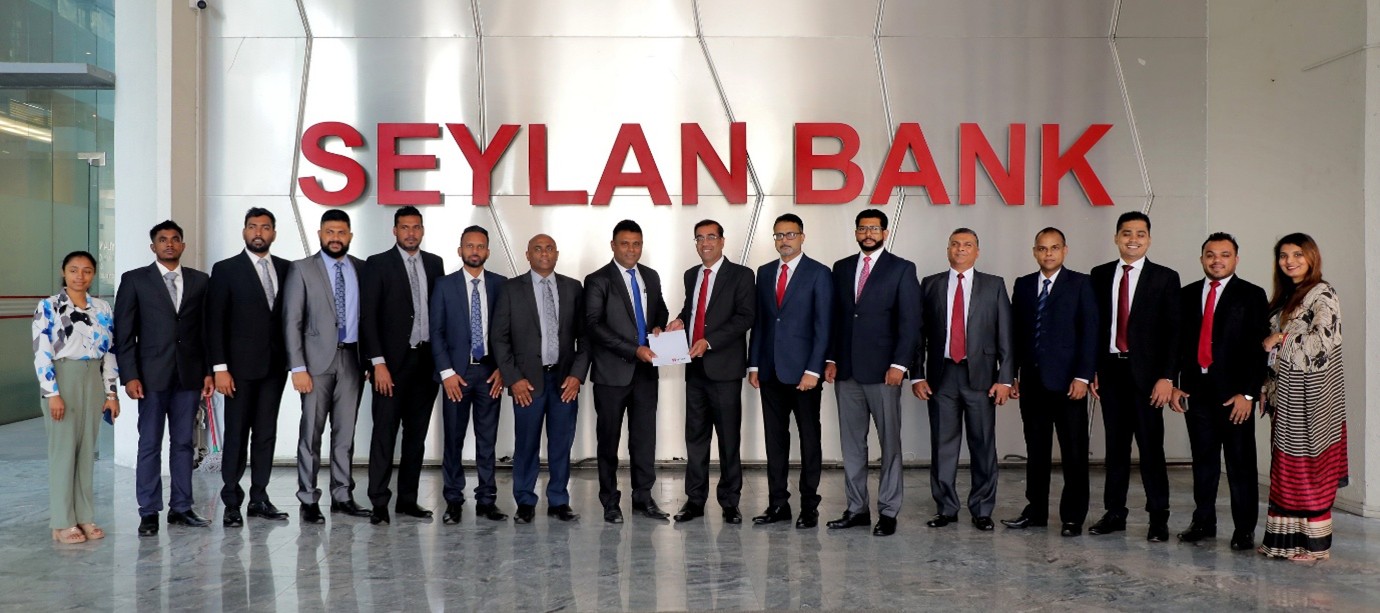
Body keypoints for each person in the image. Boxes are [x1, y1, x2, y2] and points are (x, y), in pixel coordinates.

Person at [824, 209, 921, 537]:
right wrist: (831, 358)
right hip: (847, 371)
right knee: (852, 445)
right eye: (863, 228)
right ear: (856, 232)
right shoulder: (841, 268)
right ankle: (857, 509)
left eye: (874, 229)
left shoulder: (902, 269)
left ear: (885, 232)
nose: (868, 234)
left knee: (889, 445)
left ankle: (889, 512)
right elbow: (837, 318)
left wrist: (899, 365)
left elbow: (911, 322)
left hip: (884, 373)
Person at [1169, 233, 1268, 551]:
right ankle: (1203, 522)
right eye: (1210, 254)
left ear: (1236, 259)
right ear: (1202, 259)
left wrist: (1248, 394)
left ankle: (1244, 529)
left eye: (1225, 255)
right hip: (1196, 392)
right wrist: (1175, 383)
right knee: (1203, 462)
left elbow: (1258, 350)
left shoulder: (1251, 294)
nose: (1217, 260)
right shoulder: (1186, 294)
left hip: (1234, 396)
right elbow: (1176, 343)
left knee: (1240, 464)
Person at [115, 220, 214, 536]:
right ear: (153, 246)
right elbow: (124, 333)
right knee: (149, 444)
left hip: (189, 376)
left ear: (183, 245)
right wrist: (129, 375)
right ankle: (148, 512)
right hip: (150, 377)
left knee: (184, 443)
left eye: (174, 239)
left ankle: (181, 508)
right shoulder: (135, 280)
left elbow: (206, 331)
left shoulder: (200, 281)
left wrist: (209, 371)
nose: (169, 244)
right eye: (162, 239)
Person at [1088, 211, 1181, 542]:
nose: (1133, 239)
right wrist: (1092, 370)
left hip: (1149, 377)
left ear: (1149, 239)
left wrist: (1167, 377)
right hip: (1111, 372)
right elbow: (1094, 326)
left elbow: (1174, 332)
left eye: (1140, 234)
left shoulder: (1165, 278)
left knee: (1151, 448)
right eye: (1126, 233)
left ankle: (1158, 517)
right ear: (1116, 237)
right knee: (1115, 448)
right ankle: (1115, 513)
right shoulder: (1099, 275)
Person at [913, 228, 1013, 532]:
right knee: (943, 445)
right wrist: (917, 374)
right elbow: (918, 334)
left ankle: (982, 509)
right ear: (948, 249)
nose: (960, 249)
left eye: (967, 245)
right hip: (941, 376)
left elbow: (1006, 335)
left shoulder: (994, 285)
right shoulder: (930, 284)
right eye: (955, 244)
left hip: (981, 376)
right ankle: (946, 508)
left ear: (977, 251)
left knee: (983, 444)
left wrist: (1005, 378)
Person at [1001, 228, 1097, 537]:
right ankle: (1036, 511)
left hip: (1069, 384)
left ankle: (1072, 517)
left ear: (1064, 250)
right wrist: (1013, 375)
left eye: (1054, 248)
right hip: (1032, 383)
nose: (1048, 253)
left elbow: (1090, 332)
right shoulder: (1024, 284)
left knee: (1074, 452)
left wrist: (1083, 376)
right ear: (1034, 252)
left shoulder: (1080, 283)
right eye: (1042, 248)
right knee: (1036, 451)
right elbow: (1016, 333)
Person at [1260, 233, 1347, 562]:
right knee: (1285, 468)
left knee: (1308, 469)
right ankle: (1284, 542)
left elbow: (1321, 344)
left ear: (1312, 257)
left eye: (1297, 254)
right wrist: (1266, 387)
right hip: (1285, 397)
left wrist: (1281, 338)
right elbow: (1271, 353)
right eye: (1283, 255)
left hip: (1313, 398)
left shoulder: (1323, 293)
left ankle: (1315, 547)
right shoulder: (1286, 296)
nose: (1290, 261)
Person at [491, 234, 589, 524]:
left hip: (564, 381)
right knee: (526, 444)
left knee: (561, 444)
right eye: (537, 249)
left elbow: (585, 338)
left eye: (549, 249)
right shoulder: (511, 289)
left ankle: (559, 500)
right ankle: (525, 501)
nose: (544, 253)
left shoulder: (573, 288)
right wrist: (513, 379)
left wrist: (577, 376)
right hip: (527, 383)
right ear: (527, 254)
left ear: (556, 254)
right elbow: (499, 339)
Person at [282, 209, 371, 523]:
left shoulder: (362, 268)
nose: (335, 238)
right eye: (329, 232)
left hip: (352, 360)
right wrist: (297, 367)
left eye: (341, 232)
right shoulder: (302, 269)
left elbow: (368, 318)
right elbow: (292, 321)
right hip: (315, 364)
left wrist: (370, 359)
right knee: (311, 433)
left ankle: (342, 496)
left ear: (350, 235)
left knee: (345, 434)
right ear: (320, 234)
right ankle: (308, 498)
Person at [664, 220, 756, 524]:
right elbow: (694, 310)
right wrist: (679, 320)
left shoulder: (742, 275)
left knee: (728, 439)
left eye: (711, 237)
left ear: (722, 241)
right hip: (695, 370)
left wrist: (710, 341)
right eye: (700, 238)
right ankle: (695, 500)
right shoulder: (691, 275)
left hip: (725, 370)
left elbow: (745, 317)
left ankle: (730, 502)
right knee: (696, 438)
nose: (705, 243)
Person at [207, 208, 292, 527]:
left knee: (266, 434)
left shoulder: (286, 269)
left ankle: (259, 498)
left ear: (274, 233)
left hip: (275, 367)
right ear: (244, 232)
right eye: (253, 227)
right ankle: (231, 500)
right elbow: (215, 321)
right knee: (237, 433)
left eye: (265, 227)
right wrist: (220, 368)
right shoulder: (226, 269)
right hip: (237, 370)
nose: (259, 232)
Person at [361, 206, 446, 525]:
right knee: (384, 433)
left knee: (416, 436)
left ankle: (407, 500)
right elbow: (368, 316)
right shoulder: (377, 264)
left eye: (416, 227)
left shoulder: (435, 263)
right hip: (391, 366)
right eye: (405, 227)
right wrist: (377, 363)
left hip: (425, 362)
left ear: (422, 230)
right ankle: (379, 501)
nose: (411, 233)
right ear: (395, 231)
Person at [748, 214, 832, 529]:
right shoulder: (764, 272)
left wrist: (814, 370)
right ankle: (778, 504)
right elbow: (761, 323)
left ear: (802, 237)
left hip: (804, 375)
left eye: (790, 234)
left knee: (809, 439)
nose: (784, 240)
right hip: (770, 371)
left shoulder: (819, 273)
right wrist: (754, 364)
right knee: (775, 441)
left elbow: (824, 326)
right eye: (779, 235)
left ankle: (809, 507)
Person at [584, 219, 671, 523]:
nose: (631, 249)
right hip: (611, 374)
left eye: (636, 244)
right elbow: (593, 325)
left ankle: (643, 498)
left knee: (644, 440)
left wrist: (659, 326)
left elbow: (660, 309)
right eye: (625, 243)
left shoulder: (651, 276)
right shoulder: (598, 280)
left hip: (646, 373)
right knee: (608, 441)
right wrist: (633, 349)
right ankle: (610, 501)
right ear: (613, 245)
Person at [32, 251, 120, 544]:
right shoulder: (49, 306)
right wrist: (52, 393)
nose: (80, 276)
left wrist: (111, 393)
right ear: (64, 272)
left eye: (86, 270)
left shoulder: (102, 308)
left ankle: (84, 516)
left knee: (85, 453)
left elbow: (110, 352)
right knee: (63, 452)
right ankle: (62, 522)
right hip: (63, 379)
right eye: (73, 270)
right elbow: (41, 352)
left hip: (92, 379)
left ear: (93, 274)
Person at [429, 225, 507, 524]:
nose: (475, 251)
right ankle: (453, 500)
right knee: (453, 439)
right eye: (470, 246)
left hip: (490, 374)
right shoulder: (444, 285)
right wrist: (446, 373)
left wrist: (503, 369)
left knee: (487, 441)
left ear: (488, 251)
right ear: (460, 250)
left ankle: (487, 500)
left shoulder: (501, 285)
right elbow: (436, 332)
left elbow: (507, 331)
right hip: (456, 376)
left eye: (480, 246)